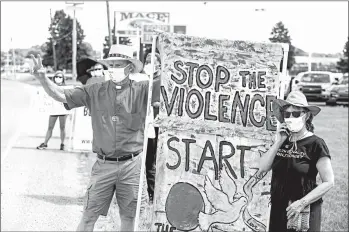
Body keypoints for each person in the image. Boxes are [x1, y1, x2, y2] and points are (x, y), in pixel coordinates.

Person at [30, 44, 160, 232]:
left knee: (129, 217)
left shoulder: (143, 90)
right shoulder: (94, 90)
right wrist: (43, 78)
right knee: (89, 216)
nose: (113, 68)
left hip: (132, 165)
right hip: (103, 165)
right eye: (111, 64)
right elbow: (61, 95)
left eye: (118, 64)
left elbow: (171, 85)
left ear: (130, 67)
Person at [257, 91, 334, 232]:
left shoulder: (316, 144)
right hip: (278, 208)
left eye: (296, 113)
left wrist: (301, 203)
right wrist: (278, 142)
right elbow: (262, 167)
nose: (291, 117)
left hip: (304, 210)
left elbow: (329, 181)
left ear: (307, 115)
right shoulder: (280, 141)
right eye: (287, 114)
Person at [142, 49, 161, 203]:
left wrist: (157, 105)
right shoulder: (142, 81)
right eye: (148, 61)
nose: (150, 64)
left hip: (156, 127)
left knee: (151, 161)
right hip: (141, 125)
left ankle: (152, 194)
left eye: (153, 62)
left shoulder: (163, 81)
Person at [37, 71, 69, 151]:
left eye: (60, 77)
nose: (58, 78)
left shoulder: (66, 88)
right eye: (57, 77)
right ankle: (45, 143)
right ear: (54, 78)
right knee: (50, 127)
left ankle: (62, 144)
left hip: (63, 110)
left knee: (62, 127)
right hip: (53, 110)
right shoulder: (51, 86)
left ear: (63, 79)